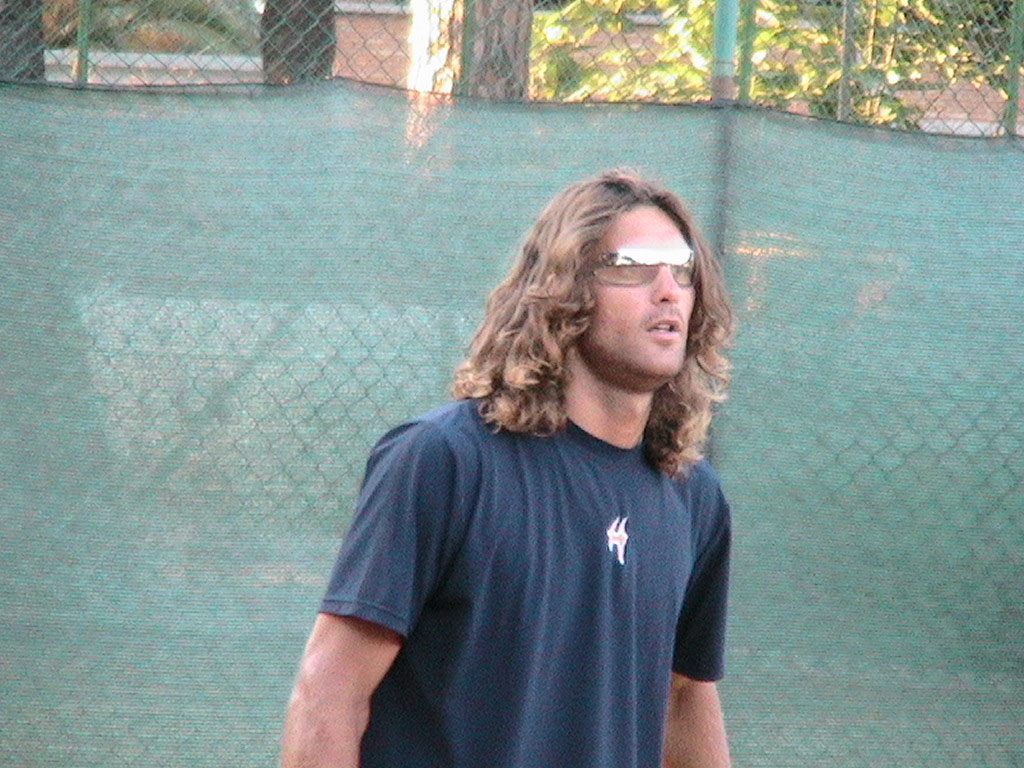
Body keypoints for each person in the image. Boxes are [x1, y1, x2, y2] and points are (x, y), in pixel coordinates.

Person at [280, 169, 736, 768]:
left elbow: (683, 698)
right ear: (564, 291)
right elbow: (329, 694)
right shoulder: (445, 461)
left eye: (682, 269)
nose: (668, 290)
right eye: (631, 266)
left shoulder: (693, 498)